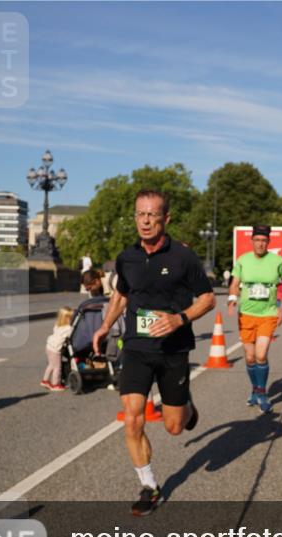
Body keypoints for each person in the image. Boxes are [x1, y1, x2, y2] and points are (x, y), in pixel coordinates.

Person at [92, 189, 215, 516]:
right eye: (140, 215)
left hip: (173, 348)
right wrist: (105, 326)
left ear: (165, 219)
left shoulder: (183, 258)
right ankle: (149, 485)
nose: (145, 221)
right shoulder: (127, 257)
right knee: (132, 419)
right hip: (136, 347)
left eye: (152, 215)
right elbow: (121, 295)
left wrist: (179, 318)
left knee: (174, 426)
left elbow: (207, 299)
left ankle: (186, 404)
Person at [229, 225, 282, 413]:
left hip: (268, 314)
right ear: (252, 241)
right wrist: (232, 299)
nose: (260, 244)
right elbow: (234, 283)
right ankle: (255, 389)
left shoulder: (277, 261)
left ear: (268, 242)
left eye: (264, 240)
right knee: (249, 358)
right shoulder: (243, 260)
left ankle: (263, 392)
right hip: (246, 315)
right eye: (257, 240)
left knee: (261, 354)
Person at [42, 307, 74, 391]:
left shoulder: (57, 325)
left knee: (51, 365)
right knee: (57, 367)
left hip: (49, 346)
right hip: (56, 350)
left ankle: (45, 380)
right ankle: (55, 384)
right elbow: (71, 337)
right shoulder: (68, 328)